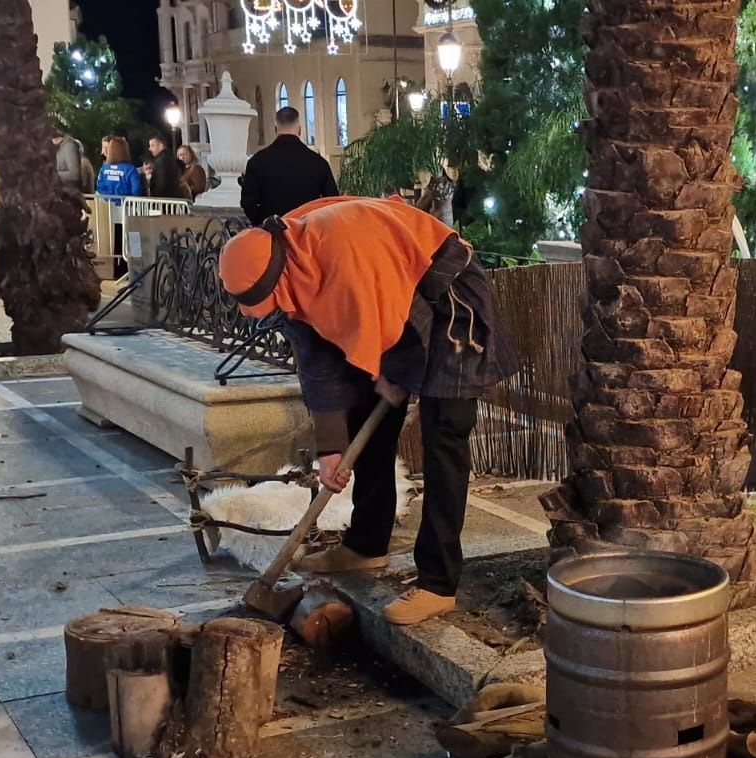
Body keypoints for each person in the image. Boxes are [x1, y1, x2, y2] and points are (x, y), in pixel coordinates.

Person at [218, 197, 519, 625]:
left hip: (444, 295)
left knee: (445, 433)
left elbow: (403, 313)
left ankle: (438, 583)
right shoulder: (289, 268)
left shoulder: (342, 255)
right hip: (390, 301)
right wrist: (330, 450)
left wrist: (395, 371)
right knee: (366, 414)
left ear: (278, 278)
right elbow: (317, 364)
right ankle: (366, 544)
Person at [240, 107, 338, 225]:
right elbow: (332, 201)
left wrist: (263, 222)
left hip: (271, 232)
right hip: (307, 230)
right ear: (300, 130)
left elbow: (248, 202)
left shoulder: (257, 161)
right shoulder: (319, 162)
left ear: (275, 130)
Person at [96, 137, 143, 278]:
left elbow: (100, 187)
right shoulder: (130, 169)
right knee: (133, 237)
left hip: (111, 210)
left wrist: (111, 198)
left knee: (116, 238)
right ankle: (136, 267)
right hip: (129, 209)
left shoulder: (104, 169)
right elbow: (136, 189)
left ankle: (118, 269)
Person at [144, 135, 187, 200]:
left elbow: (161, 184)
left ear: (161, 146)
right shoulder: (170, 158)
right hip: (174, 198)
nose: (149, 149)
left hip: (165, 200)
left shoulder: (161, 161)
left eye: (152, 145)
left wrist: (155, 198)